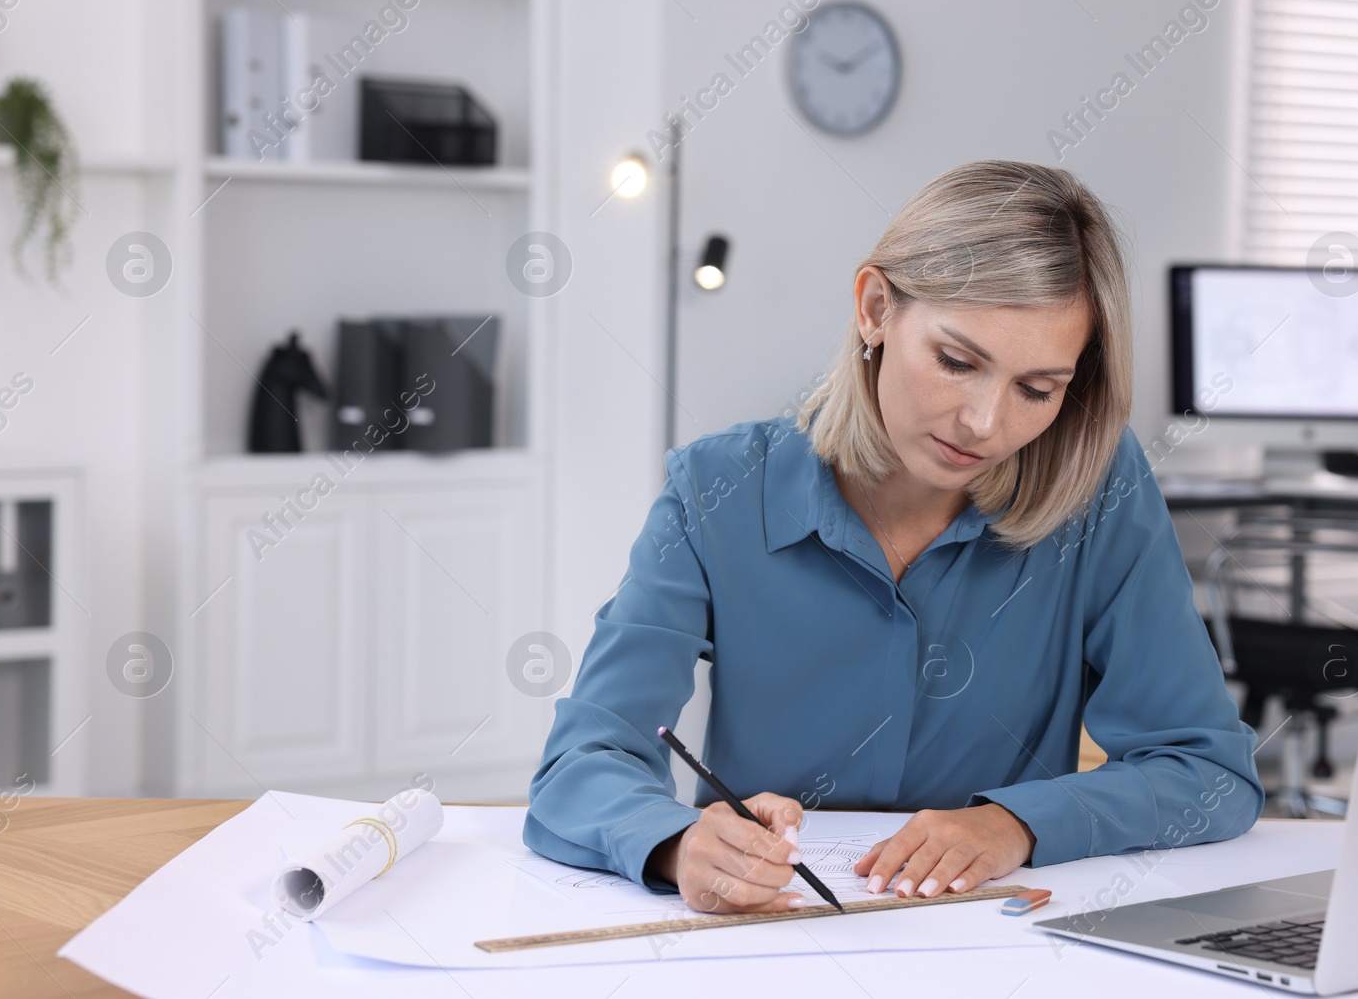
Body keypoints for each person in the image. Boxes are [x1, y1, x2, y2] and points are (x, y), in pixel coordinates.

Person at [524, 160, 1262, 915]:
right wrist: (678, 842)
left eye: (1036, 388)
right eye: (956, 361)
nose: (984, 422)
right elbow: (583, 761)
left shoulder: (1099, 489)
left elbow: (1208, 769)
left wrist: (1014, 822)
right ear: (875, 308)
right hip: (775, 940)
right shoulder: (718, 491)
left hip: (992, 943)